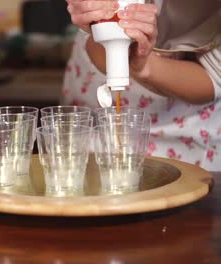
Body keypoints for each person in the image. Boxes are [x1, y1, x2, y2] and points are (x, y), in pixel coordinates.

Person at [62, 0, 221, 170]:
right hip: (92, 119)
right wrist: (90, 13)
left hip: (187, 142)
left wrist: (144, 66)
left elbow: (214, 75)